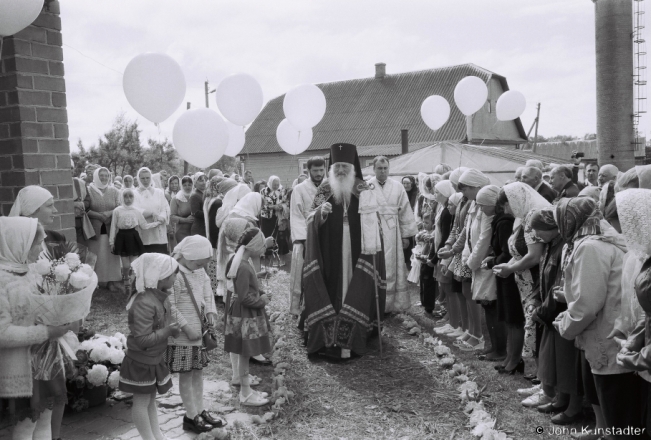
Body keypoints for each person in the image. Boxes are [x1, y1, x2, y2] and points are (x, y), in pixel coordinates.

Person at [552, 197, 646, 437]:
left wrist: (565, 324)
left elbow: (588, 304)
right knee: (602, 393)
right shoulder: (602, 240)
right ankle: (604, 431)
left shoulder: (590, 246)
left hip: (606, 331)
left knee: (614, 400)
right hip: (611, 328)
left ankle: (610, 433)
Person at [301, 143, 386, 358]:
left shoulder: (363, 188)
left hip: (358, 247)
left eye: (345, 167)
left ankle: (358, 328)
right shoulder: (324, 189)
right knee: (333, 280)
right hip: (331, 249)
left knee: (355, 282)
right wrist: (322, 213)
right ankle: (330, 327)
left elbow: (375, 219)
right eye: (337, 166)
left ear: (352, 168)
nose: (340, 171)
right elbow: (310, 219)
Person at [0, 217, 76, 440]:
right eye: (37, 244)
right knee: (26, 426)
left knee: (44, 420)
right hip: (23, 366)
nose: (41, 250)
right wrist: (46, 332)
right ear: (20, 243)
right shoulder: (3, 281)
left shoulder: (33, 272)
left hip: (46, 358)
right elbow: (2, 333)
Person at [529, 208, 583, 425]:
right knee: (558, 360)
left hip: (561, 308)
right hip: (552, 307)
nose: (536, 236)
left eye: (539, 231)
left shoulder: (564, 246)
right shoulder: (553, 243)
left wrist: (543, 310)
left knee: (568, 361)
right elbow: (544, 275)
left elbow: (560, 283)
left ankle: (574, 407)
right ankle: (561, 398)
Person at [118, 253, 181, 440]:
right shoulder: (145, 302)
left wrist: (170, 330)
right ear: (160, 277)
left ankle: (157, 436)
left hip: (152, 359)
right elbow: (143, 340)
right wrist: (167, 332)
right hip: (142, 361)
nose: (175, 278)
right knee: (141, 401)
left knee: (151, 400)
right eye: (173, 275)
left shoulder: (158, 297)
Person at [166, 236, 225, 433]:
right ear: (187, 257)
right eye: (198, 263)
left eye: (203, 264)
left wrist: (210, 312)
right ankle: (190, 415)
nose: (201, 267)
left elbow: (207, 293)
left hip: (198, 331)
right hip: (183, 336)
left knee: (198, 373)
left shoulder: (199, 271)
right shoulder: (174, 276)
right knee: (186, 375)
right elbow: (170, 306)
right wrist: (186, 327)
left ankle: (200, 410)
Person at [493, 182, 550, 377]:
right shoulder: (521, 218)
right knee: (528, 323)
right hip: (522, 280)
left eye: (507, 204)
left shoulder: (532, 217)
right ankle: (535, 373)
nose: (506, 209)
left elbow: (534, 256)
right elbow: (518, 251)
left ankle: (538, 375)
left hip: (534, 282)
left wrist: (510, 268)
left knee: (534, 325)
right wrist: (508, 265)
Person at [225, 228, 273, 406]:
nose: (263, 249)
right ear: (253, 246)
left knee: (245, 353)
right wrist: (261, 300)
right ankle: (245, 393)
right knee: (245, 353)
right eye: (261, 245)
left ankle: (246, 389)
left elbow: (244, 288)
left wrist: (258, 287)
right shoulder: (244, 266)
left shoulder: (243, 263)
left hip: (244, 313)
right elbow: (245, 297)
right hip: (247, 315)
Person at [368, 156, 418, 313]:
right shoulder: (366, 186)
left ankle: (391, 305)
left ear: (389, 169)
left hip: (393, 231)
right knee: (374, 263)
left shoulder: (397, 186)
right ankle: (374, 304)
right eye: (379, 168)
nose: (383, 171)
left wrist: (405, 235)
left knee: (391, 263)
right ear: (374, 169)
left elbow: (404, 211)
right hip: (372, 229)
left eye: (385, 168)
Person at [456, 169, 493, 350]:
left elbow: (484, 237)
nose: (463, 193)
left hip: (479, 258)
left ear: (476, 187)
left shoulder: (486, 204)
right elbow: (467, 229)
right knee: (467, 292)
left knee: (476, 296)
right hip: (469, 255)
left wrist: (472, 261)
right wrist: (460, 251)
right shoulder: (473, 203)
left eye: (465, 189)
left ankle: (478, 335)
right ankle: (472, 330)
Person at [289, 156, 326, 316]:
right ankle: (297, 306)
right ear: (308, 170)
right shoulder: (299, 189)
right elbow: (296, 215)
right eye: (315, 170)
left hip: (325, 234)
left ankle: (322, 304)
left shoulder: (329, 187)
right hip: (305, 237)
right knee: (300, 272)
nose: (319, 173)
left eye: (321, 170)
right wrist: (303, 239)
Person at [475, 185, 507, 361]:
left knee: (495, 310)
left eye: (483, 205)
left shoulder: (503, 222)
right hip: (493, 267)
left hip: (499, 270)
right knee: (489, 308)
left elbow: (505, 250)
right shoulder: (496, 219)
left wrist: (492, 259)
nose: (480, 209)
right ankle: (494, 346)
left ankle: (500, 349)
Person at [110, 188, 162, 292]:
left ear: (134, 198)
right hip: (122, 237)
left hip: (133, 237)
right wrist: (111, 242)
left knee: (134, 265)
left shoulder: (136, 211)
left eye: (131, 196)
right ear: (122, 197)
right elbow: (113, 227)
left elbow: (144, 225)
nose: (128, 199)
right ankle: (125, 278)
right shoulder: (117, 211)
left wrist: (157, 223)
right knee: (126, 265)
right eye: (125, 196)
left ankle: (133, 283)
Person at [86, 166, 122, 290]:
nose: (104, 178)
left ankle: (111, 281)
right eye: (101, 175)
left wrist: (109, 213)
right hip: (94, 228)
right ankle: (94, 282)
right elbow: (85, 209)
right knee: (95, 254)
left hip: (110, 227)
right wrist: (98, 215)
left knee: (110, 255)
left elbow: (119, 207)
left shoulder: (114, 191)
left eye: (106, 175)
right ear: (96, 176)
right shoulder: (89, 190)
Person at [133, 167, 170, 254]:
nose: (145, 180)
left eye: (147, 178)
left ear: (151, 178)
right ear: (138, 179)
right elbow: (135, 209)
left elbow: (165, 207)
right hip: (145, 232)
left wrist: (162, 217)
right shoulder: (134, 193)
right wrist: (151, 213)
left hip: (159, 230)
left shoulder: (159, 192)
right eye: (142, 178)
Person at [260, 175, 287, 251]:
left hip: (278, 216)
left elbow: (285, 202)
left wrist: (281, 207)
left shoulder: (282, 190)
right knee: (267, 235)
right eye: (274, 185)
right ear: (270, 183)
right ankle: (267, 254)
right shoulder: (263, 191)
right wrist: (272, 207)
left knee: (279, 236)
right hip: (266, 217)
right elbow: (261, 205)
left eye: (277, 184)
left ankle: (278, 253)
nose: (276, 186)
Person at [171, 176, 195, 244]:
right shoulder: (176, 199)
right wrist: (185, 220)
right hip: (181, 231)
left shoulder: (196, 196)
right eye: (184, 185)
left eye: (189, 185)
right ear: (181, 186)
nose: (187, 187)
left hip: (195, 231)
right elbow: (172, 217)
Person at [189, 172, 208, 237]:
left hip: (205, 227)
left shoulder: (204, 193)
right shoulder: (194, 195)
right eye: (201, 181)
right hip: (199, 229)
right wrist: (209, 214)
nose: (204, 182)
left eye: (204, 180)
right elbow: (195, 212)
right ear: (195, 183)